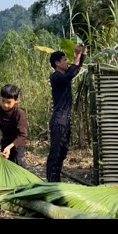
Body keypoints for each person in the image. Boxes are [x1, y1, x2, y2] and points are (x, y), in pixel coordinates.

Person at [46, 45, 86, 182]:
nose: (67, 62)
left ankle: (55, 179)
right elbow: (71, 74)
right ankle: (51, 181)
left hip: (64, 120)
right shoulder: (56, 77)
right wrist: (76, 57)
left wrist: (82, 54)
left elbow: (75, 69)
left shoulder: (64, 75)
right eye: (64, 60)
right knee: (56, 152)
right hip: (59, 120)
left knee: (62, 151)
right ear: (57, 63)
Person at [0, 84, 28, 168]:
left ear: (16, 101)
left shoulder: (19, 114)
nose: (5, 104)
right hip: (5, 142)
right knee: (5, 166)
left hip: (17, 144)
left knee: (18, 166)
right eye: (3, 101)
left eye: (9, 102)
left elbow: (22, 135)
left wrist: (10, 147)